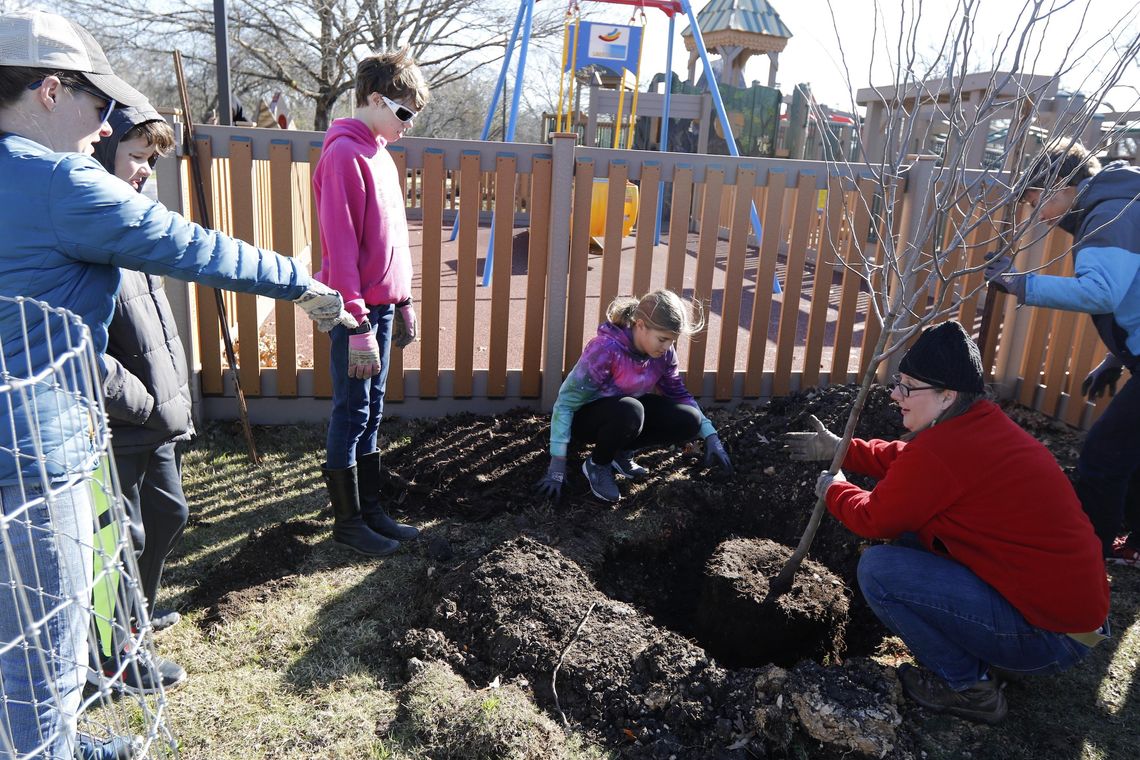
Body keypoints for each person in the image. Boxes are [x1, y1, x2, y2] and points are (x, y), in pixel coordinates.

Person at [0, 10, 353, 760]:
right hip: (34, 457)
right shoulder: (60, 182)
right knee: (44, 637)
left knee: (19, 631)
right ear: (50, 92)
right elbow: (191, 246)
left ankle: (58, 740)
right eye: (99, 109)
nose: (105, 128)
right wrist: (301, 284)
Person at [786, 321, 1110, 724]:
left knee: (880, 570)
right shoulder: (977, 427)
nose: (895, 394)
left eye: (908, 386)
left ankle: (968, 688)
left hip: (1050, 638)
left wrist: (834, 488)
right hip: (1074, 623)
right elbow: (909, 462)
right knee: (912, 536)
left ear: (947, 395)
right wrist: (843, 449)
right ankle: (991, 649)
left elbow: (873, 518)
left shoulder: (944, 451)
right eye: (897, 382)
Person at [984, 143, 1140, 566]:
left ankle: (1091, 550)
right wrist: (1119, 358)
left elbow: (1101, 291)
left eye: (1038, 202)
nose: (1039, 216)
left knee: (1104, 455)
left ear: (1063, 187)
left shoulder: (1109, 216)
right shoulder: (1119, 204)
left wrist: (1021, 285)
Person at [89, 103, 189, 695]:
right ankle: (113, 658)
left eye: (152, 160)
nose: (146, 170)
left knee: (168, 515)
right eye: (136, 156)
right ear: (102, 150)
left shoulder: (133, 214)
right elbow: (80, 340)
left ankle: (135, 618)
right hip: (119, 415)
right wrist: (139, 400)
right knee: (121, 537)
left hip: (151, 410)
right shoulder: (87, 220)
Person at [311, 48, 428, 557]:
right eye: (404, 112)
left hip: (381, 308)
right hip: (354, 312)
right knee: (352, 409)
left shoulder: (379, 153)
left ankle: (372, 507)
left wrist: (403, 300)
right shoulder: (343, 155)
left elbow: (390, 240)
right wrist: (356, 325)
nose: (408, 124)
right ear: (375, 98)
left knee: (373, 408)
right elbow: (340, 251)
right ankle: (349, 521)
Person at [535, 290, 734, 503]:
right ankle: (597, 464)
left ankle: (620, 453)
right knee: (631, 410)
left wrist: (711, 436)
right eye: (663, 339)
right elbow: (565, 403)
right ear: (640, 325)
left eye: (672, 341)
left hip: (624, 414)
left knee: (688, 419)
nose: (667, 347)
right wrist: (557, 463)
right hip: (586, 420)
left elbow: (679, 395)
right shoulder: (606, 349)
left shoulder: (663, 354)